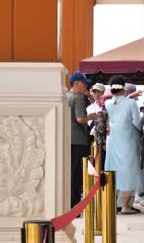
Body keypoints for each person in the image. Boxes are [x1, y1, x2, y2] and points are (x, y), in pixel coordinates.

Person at [104, 76, 144, 214]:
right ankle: (126, 205)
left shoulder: (108, 103)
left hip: (114, 141)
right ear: (123, 87)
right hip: (129, 140)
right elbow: (137, 123)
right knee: (130, 171)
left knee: (114, 172)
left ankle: (112, 204)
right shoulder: (131, 103)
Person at [67, 71, 97, 208]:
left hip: (68, 139)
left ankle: (68, 203)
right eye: (84, 84)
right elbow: (80, 119)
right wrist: (91, 116)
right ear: (77, 83)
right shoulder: (78, 98)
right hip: (78, 140)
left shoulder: (66, 96)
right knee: (77, 173)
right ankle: (75, 205)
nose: (86, 87)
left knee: (69, 172)